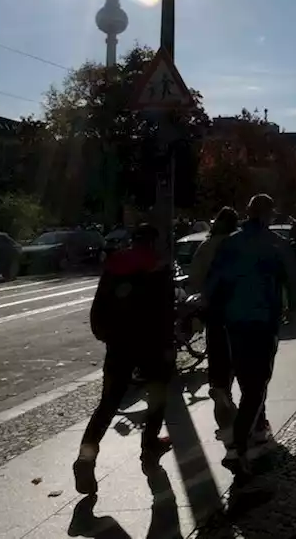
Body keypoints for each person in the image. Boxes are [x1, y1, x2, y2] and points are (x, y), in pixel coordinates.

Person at [205, 194, 296, 471]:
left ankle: (246, 434)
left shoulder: (230, 243)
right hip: (263, 321)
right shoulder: (276, 243)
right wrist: (295, 310)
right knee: (257, 384)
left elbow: (213, 283)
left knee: (247, 380)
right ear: (269, 215)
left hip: (234, 322)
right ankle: (240, 444)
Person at [73, 223, 175, 495]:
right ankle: (150, 447)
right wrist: (167, 344)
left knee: (108, 404)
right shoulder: (159, 266)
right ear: (153, 241)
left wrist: (105, 334)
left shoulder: (115, 264)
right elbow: (165, 310)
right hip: (151, 343)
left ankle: (86, 458)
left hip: (119, 344)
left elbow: (100, 305)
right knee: (157, 396)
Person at [187, 206, 240, 442]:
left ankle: (222, 395)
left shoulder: (206, 246)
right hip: (241, 310)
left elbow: (195, 279)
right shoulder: (239, 244)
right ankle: (251, 418)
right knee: (243, 360)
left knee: (218, 358)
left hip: (215, 311)